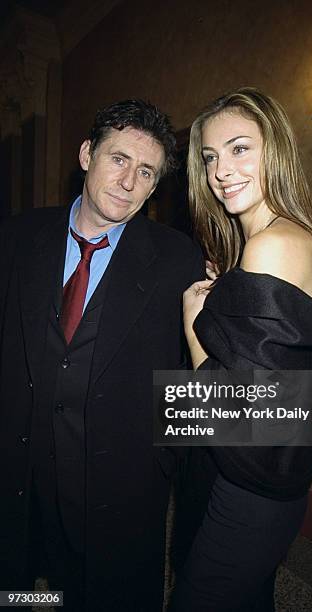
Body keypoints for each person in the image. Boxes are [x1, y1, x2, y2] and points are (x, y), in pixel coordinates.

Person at [0, 99, 204, 611]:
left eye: (146, 172)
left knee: (101, 594)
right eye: (119, 159)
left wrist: (167, 459)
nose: (129, 181)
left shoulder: (178, 258)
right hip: (20, 465)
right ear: (87, 154)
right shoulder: (17, 236)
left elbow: (193, 369)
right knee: (21, 590)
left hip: (117, 481)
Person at [170, 88, 312, 611]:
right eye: (209, 157)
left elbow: (243, 417)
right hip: (275, 477)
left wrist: (193, 327)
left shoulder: (270, 244)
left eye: (239, 148)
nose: (221, 170)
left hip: (251, 488)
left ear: (275, 150)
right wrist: (231, 291)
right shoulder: (293, 238)